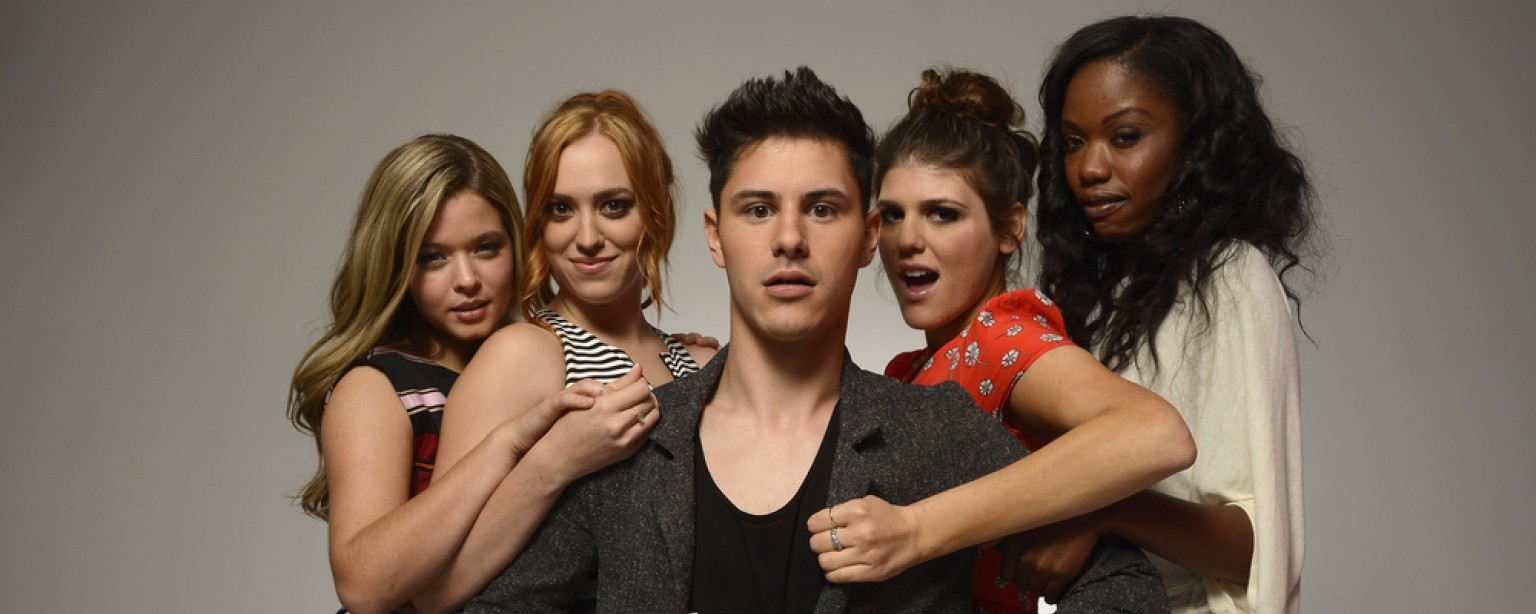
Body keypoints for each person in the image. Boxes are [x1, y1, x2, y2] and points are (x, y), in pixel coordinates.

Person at [467, 67, 1167, 614]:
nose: (789, 238)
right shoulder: (631, 444)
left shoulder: (933, 427)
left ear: (867, 236)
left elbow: (1124, 587)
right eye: (758, 209)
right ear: (715, 236)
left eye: (822, 209)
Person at [809, 67, 1195, 612]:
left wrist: (917, 529)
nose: (908, 239)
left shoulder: (999, 338)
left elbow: (1155, 433)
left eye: (943, 214)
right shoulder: (913, 371)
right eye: (893, 215)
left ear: (1011, 227)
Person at [1029, 16, 1316, 613]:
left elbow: (1256, 548)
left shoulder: (1229, 276)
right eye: (1074, 141)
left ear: (1196, 144)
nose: (1090, 168)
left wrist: (1102, 506)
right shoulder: (1113, 299)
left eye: (1125, 137)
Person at [290, 134, 610, 613]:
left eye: (486, 248)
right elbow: (362, 586)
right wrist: (506, 444)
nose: (466, 280)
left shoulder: (540, 357)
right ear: (395, 264)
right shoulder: (376, 387)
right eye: (433, 257)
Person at [433, 90, 715, 607]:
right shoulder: (523, 354)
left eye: (613, 205)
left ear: (656, 209)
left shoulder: (693, 363)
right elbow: (437, 591)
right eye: (560, 209)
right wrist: (554, 462)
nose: (586, 237)